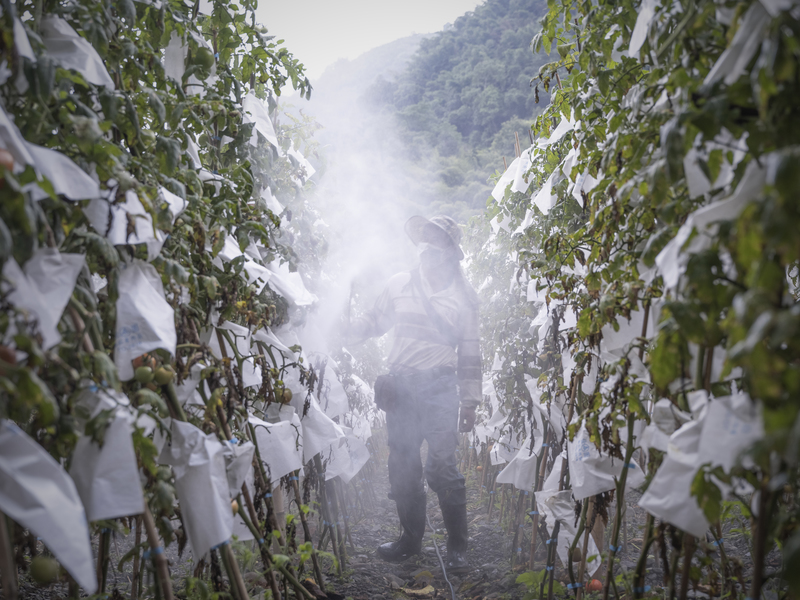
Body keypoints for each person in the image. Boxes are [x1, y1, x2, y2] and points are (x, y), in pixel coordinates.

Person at [347, 215, 481, 570]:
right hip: (401, 389)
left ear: (450, 253)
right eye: (424, 239)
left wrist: (469, 401)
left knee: (442, 467)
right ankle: (410, 540)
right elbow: (373, 322)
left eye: (435, 241)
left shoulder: (463, 298)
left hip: (439, 389)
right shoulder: (399, 284)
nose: (427, 247)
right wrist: (346, 325)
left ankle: (457, 546)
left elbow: (469, 354)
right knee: (403, 467)